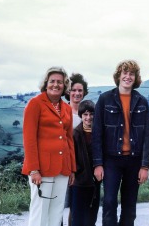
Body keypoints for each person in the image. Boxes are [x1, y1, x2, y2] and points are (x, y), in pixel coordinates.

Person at [92, 59, 149, 226]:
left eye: (131, 73)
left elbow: (148, 136)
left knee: (130, 205)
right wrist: (97, 164)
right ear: (118, 76)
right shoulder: (104, 99)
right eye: (124, 73)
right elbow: (97, 134)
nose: (128, 76)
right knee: (110, 201)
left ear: (136, 77)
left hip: (134, 160)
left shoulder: (142, 102)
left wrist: (144, 166)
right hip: (111, 160)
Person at [21, 66, 76, 226]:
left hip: (63, 168)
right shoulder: (35, 104)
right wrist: (33, 169)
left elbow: (69, 139)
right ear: (46, 83)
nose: (56, 85)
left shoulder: (66, 108)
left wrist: (72, 168)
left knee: (56, 213)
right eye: (52, 81)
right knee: (40, 214)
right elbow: (29, 139)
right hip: (42, 169)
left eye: (60, 82)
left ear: (64, 85)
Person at [63, 73, 89, 225]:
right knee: (59, 204)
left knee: (76, 207)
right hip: (65, 163)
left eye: (80, 90)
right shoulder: (63, 111)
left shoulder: (88, 113)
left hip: (82, 166)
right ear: (68, 92)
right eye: (73, 90)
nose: (77, 93)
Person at [70, 100, 100, 226]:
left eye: (91, 114)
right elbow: (72, 157)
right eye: (85, 114)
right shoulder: (75, 134)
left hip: (95, 181)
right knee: (77, 217)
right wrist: (80, 172)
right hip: (79, 182)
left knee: (92, 216)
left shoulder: (99, 133)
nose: (88, 118)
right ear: (81, 116)